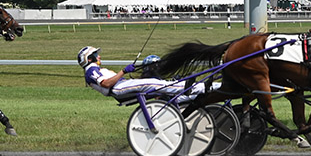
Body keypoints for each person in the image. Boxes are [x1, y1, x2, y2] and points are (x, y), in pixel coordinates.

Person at [77, 46, 215, 102]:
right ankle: (186, 88)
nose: (99, 56)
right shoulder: (91, 70)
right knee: (153, 83)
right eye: (96, 54)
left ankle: (196, 87)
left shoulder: (95, 69)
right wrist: (123, 71)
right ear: (89, 59)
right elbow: (106, 84)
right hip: (118, 88)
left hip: (122, 85)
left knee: (159, 84)